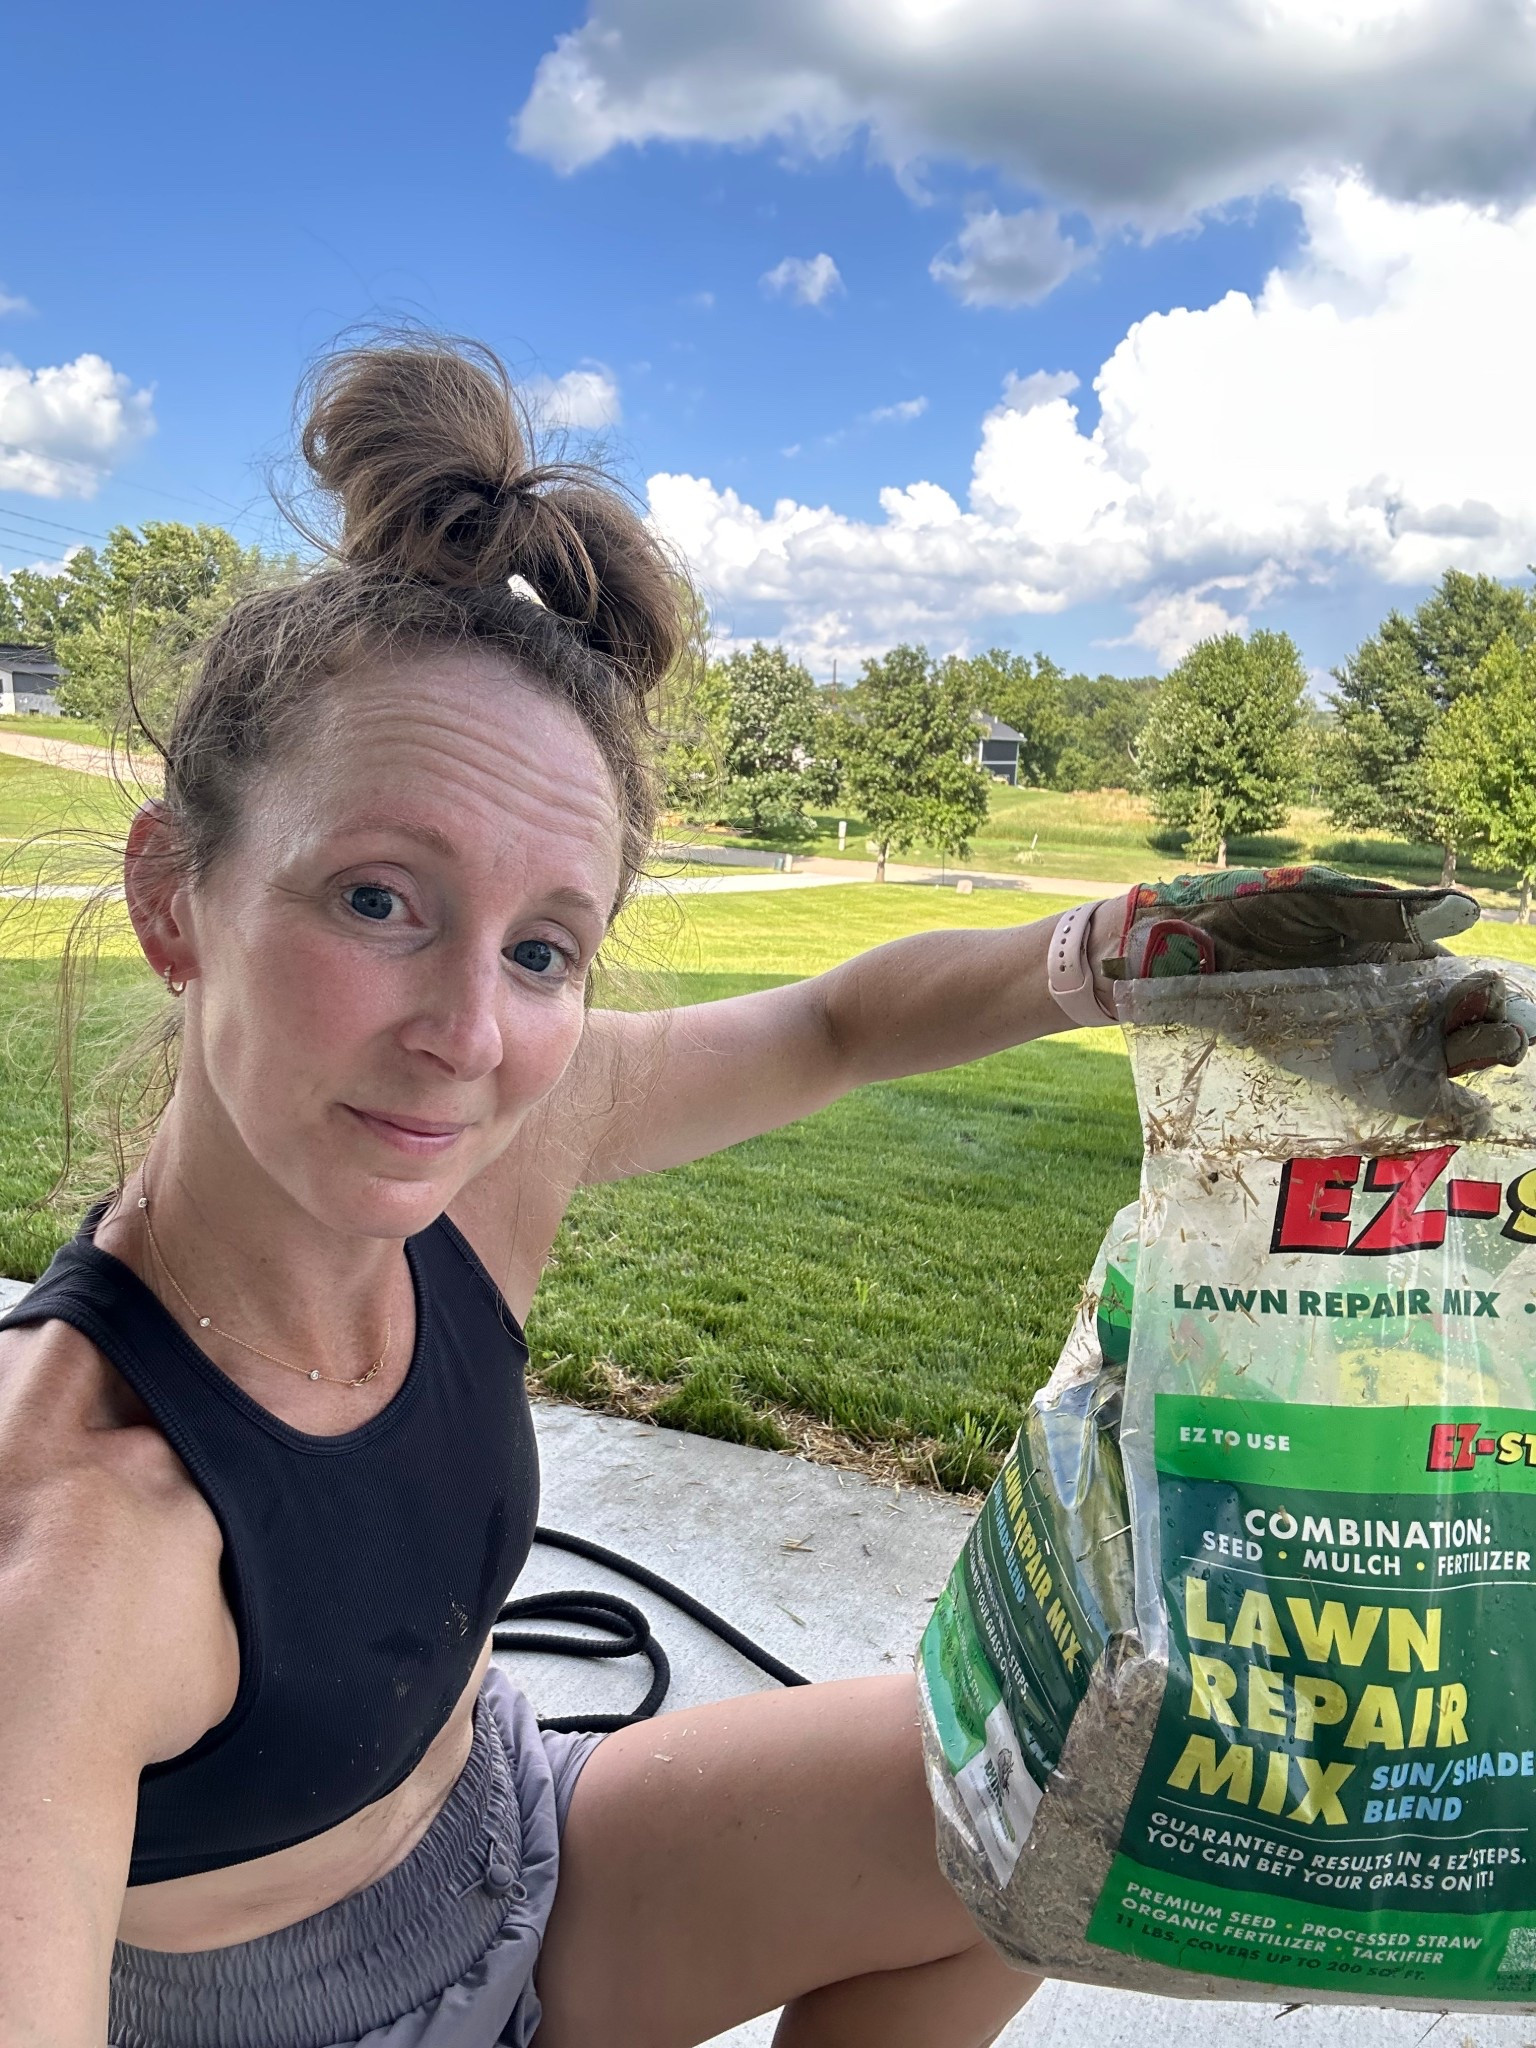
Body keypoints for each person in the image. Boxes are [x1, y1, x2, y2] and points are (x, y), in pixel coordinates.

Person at [0, 338, 1522, 2048]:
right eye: (375, 899)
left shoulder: (502, 1157)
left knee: (1040, 1817)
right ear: (174, 899)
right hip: (294, 2013)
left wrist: (1128, 957)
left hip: (518, 1846)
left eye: (543, 947)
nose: (471, 1036)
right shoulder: (72, 1561)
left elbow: (834, 1021)